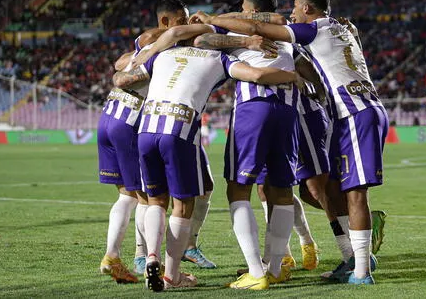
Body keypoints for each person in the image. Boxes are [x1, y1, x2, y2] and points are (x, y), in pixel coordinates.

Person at [192, 0, 388, 286]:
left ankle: (354, 262)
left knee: (315, 188)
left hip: (307, 112)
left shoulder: (299, 30)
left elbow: (270, 30)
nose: (292, 11)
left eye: (296, 6)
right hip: (313, 112)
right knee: (291, 189)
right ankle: (331, 254)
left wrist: (216, 20)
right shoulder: (325, 29)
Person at [113, 29, 300, 291]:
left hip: (146, 130)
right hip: (179, 130)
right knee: (182, 206)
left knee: (155, 201)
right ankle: (172, 276)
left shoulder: (162, 55)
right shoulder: (219, 59)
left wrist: (135, 60)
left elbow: (122, 78)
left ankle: (152, 257)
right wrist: (291, 76)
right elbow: (256, 75)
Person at [194, 0, 323, 272]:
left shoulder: (239, 30)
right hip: (287, 110)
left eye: (242, 8)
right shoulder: (285, 32)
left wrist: (241, 39)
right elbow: (304, 61)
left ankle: (256, 271)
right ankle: (276, 268)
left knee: (238, 189)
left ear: (250, 12)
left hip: (254, 107)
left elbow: (202, 38)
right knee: (280, 190)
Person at [98, 0, 191, 284]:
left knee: (126, 194)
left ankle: (112, 256)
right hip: (129, 120)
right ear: (166, 22)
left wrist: (123, 68)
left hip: (109, 114)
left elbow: (119, 63)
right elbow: (122, 77)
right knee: (147, 198)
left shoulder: (146, 38)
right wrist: (124, 75)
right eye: (181, 21)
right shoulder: (163, 47)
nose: (185, 27)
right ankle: (143, 258)